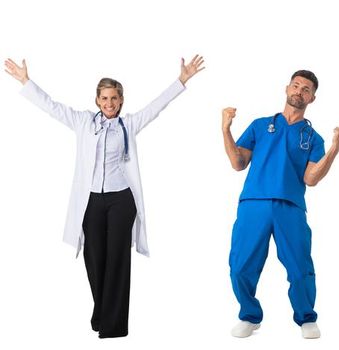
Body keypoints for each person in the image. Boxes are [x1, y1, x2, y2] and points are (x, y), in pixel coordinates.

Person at [4, 55, 205, 338]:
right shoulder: (83, 122)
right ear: (97, 101)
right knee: (95, 257)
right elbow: (51, 106)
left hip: (122, 201)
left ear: (121, 101)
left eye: (114, 98)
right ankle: (101, 309)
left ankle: (113, 326)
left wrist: (181, 80)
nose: (109, 103)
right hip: (91, 202)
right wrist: (26, 81)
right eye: (104, 98)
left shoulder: (130, 124)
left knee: (118, 260)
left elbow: (157, 106)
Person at [221, 69, 339, 339]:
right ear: (286, 88)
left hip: (290, 207)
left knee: (299, 266)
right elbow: (238, 163)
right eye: (296, 86)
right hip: (253, 203)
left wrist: (335, 147)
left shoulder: (312, 138)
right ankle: (249, 315)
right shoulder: (260, 125)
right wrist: (225, 129)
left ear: (312, 98)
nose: (299, 92)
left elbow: (311, 179)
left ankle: (306, 317)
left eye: (306, 89)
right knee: (241, 264)